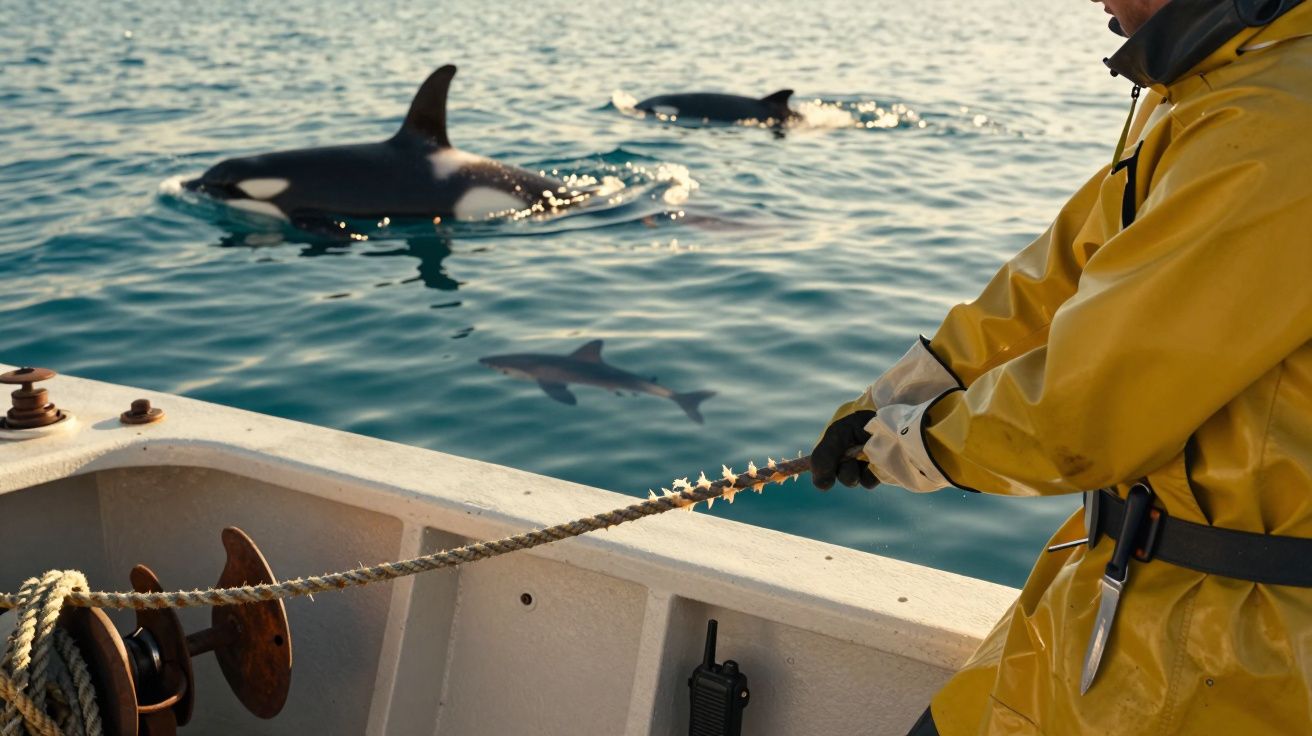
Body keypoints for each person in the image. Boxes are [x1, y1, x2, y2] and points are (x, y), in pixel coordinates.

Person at [810, 0, 1312, 733]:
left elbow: (1087, 411)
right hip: (1120, 593)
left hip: (1233, 652)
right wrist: (901, 394)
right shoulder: (1205, 87)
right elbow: (1060, 274)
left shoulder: (1276, 123)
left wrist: (909, 445)